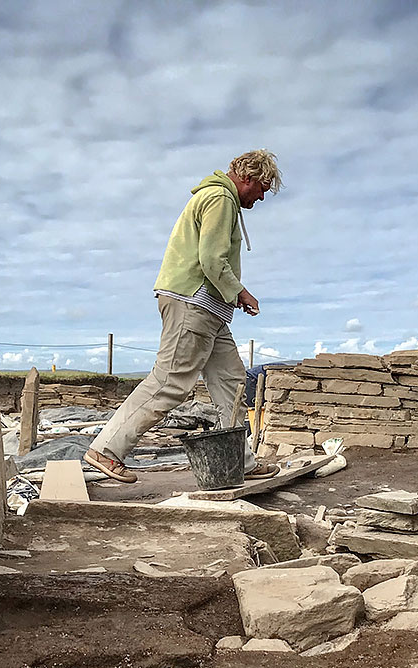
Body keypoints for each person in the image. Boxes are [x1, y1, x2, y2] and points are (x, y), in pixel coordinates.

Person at [84, 150, 284, 484]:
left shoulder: (222, 201)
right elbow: (211, 259)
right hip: (194, 302)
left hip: (211, 308)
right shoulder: (220, 199)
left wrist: (230, 296)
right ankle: (107, 450)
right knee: (170, 381)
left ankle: (241, 461)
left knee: (231, 383)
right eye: (262, 187)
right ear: (247, 178)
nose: (262, 196)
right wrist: (241, 292)